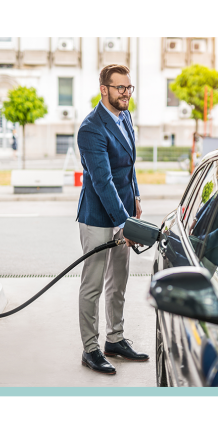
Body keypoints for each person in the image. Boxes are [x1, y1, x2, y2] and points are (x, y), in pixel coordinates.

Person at [75, 64, 147, 375]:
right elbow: (102, 181)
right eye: (120, 88)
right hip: (98, 218)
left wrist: (136, 196)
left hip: (123, 211)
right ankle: (90, 349)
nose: (126, 93)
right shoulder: (91, 129)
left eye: (129, 88)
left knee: (118, 281)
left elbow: (128, 166)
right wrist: (124, 223)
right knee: (93, 284)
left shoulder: (125, 116)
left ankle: (114, 340)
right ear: (104, 89)